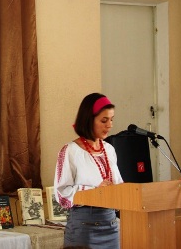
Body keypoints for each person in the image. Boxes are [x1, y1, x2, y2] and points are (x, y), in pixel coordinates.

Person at [54, 93, 123, 249]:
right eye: (104, 120)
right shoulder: (70, 151)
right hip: (84, 228)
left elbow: (118, 183)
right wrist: (95, 192)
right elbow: (62, 193)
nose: (110, 125)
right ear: (89, 119)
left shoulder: (109, 149)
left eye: (111, 119)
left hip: (111, 225)